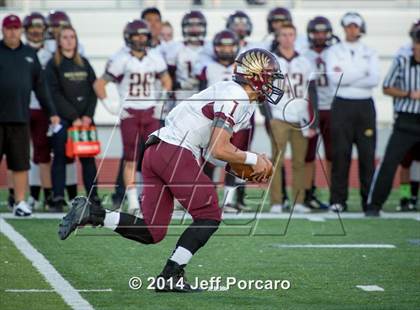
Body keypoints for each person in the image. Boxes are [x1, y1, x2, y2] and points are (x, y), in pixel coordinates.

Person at [59, 48, 280, 293]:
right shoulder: (236, 95)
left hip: (157, 151)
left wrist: (236, 166)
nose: (272, 84)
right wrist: (252, 159)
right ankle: (170, 275)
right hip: (175, 151)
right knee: (210, 214)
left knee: (152, 231)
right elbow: (218, 148)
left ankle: (92, 213)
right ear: (256, 76)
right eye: (270, 77)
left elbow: (211, 151)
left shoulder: (237, 97)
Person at [94, 19, 172, 214]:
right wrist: (111, 107)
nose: (140, 38)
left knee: (152, 158)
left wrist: (160, 102)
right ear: (128, 37)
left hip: (150, 111)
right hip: (130, 112)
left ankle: (148, 196)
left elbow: (167, 81)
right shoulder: (120, 58)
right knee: (130, 158)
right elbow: (99, 84)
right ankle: (132, 201)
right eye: (137, 35)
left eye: (143, 35)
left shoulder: (154, 56)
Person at [0, 14, 59, 216]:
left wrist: (52, 112)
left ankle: (20, 203)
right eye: (9, 28)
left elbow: (40, 87)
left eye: (16, 28)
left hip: (19, 118)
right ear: (3, 30)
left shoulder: (29, 54)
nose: (12, 32)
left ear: (20, 30)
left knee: (20, 164)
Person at [327, 12, 380, 212]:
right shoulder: (334, 51)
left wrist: (347, 75)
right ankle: (338, 200)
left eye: (355, 26)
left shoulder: (370, 51)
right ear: (344, 27)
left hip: (365, 105)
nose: (352, 30)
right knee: (341, 154)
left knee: (367, 155)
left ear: (360, 28)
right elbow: (335, 78)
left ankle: (369, 201)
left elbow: (374, 79)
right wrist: (361, 73)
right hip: (342, 104)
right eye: (349, 26)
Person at [366, 27, 420, 216]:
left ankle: (410, 197)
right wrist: (408, 94)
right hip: (406, 120)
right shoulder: (403, 60)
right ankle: (377, 204)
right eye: (417, 43)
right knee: (393, 163)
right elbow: (387, 87)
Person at [46, 25, 100, 211]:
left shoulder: (84, 63)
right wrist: (73, 116)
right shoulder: (53, 65)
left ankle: (93, 197)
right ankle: (58, 197)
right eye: (65, 37)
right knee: (60, 157)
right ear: (59, 41)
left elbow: (94, 91)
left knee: (88, 160)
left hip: (84, 122)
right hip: (64, 121)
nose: (69, 40)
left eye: (72, 37)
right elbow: (54, 94)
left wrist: (87, 116)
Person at [196, 30, 250, 212]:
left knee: (235, 160)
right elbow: (202, 96)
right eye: (223, 45)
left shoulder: (246, 66)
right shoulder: (208, 67)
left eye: (230, 45)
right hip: (217, 121)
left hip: (241, 121)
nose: (227, 49)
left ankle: (228, 201)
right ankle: (207, 199)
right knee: (210, 159)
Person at [268, 23, 318, 214]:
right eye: (284, 35)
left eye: (291, 34)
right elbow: (263, 92)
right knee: (277, 161)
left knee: (299, 161)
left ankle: (298, 201)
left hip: (301, 117)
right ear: (278, 37)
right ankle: (277, 202)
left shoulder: (305, 62)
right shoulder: (270, 62)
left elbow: (312, 92)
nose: (288, 38)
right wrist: (268, 116)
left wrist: (314, 120)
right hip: (278, 116)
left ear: (295, 37)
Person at [303, 16, 338, 210]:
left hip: (334, 107)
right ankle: (308, 193)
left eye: (323, 32)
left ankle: (335, 196)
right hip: (312, 109)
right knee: (308, 155)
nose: (320, 35)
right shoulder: (304, 54)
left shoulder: (336, 52)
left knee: (333, 154)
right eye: (316, 32)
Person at [166, 10, 208, 100]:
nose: (194, 29)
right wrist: (181, 84)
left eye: (198, 26)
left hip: (207, 94)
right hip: (182, 95)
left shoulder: (210, 47)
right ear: (184, 28)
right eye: (190, 26)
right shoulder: (175, 48)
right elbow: (168, 77)